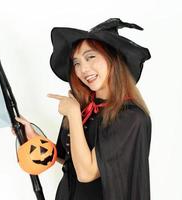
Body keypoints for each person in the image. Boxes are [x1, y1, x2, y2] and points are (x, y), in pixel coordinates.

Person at [14, 18, 152, 200]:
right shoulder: (85, 109)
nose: (83, 69)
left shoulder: (131, 117)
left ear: (113, 59)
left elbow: (87, 173)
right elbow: (71, 160)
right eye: (77, 62)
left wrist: (73, 114)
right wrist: (36, 140)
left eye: (90, 57)